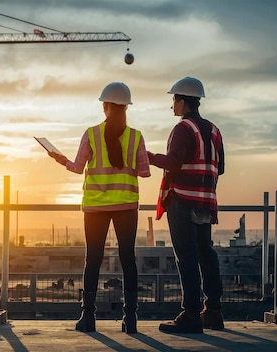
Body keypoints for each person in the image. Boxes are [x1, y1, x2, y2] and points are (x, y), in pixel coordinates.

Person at [48, 82, 151, 334]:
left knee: (92, 259)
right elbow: (144, 172)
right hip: (126, 206)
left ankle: (88, 318)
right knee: (128, 260)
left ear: (105, 107)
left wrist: (59, 158)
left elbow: (76, 167)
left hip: (95, 207)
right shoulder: (136, 136)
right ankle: (131, 319)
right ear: (126, 107)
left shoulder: (91, 134)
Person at [148, 76, 225, 334]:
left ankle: (191, 314)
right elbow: (220, 168)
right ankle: (213, 311)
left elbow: (173, 162)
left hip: (182, 199)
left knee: (187, 257)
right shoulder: (214, 130)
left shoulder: (182, 129)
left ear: (182, 101)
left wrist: (147, 157)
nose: (172, 105)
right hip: (206, 202)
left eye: (174, 99)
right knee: (206, 253)